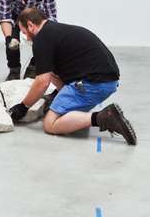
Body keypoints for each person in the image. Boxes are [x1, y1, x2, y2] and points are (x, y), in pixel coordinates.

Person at [8, 8, 137, 145]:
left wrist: (23, 106)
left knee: (50, 123)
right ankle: (92, 113)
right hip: (108, 81)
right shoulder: (55, 30)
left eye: (24, 33)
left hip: (93, 84)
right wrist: (59, 93)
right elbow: (53, 74)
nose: (26, 38)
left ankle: (103, 117)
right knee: (52, 78)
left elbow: (42, 81)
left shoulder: (41, 39)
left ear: (31, 25)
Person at [0, 0, 57, 81]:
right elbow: (5, 16)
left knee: (43, 41)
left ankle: (33, 67)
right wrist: (9, 38)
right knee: (11, 44)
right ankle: (14, 71)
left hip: (36, 16)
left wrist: (42, 37)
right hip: (15, 16)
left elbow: (51, 16)